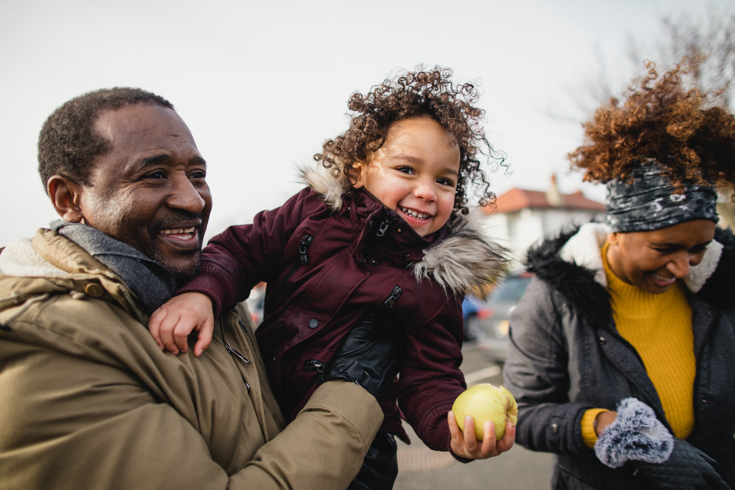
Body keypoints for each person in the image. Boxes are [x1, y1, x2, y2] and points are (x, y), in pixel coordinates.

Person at [0, 87, 406, 490]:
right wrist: (349, 400)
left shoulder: (197, 290)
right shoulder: (47, 346)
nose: (194, 201)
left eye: (197, 175)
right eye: (155, 175)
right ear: (69, 198)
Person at [149, 67, 516, 488]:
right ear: (359, 171)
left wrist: (451, 427)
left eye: (445, 180)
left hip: (359, 450)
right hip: (265, 413)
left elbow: (431, 375)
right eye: (407, 170)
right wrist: (203, 293)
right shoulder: (312, 213)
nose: (428, 191)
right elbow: (241, 249)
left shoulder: (438, 280)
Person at [504, 58, 735, 490]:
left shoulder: (723, 286)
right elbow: (525, 413)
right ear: (618, 232)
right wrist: (612, 428)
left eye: (698, 248)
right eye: (665, 248)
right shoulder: (554, 299)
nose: (684, 267)